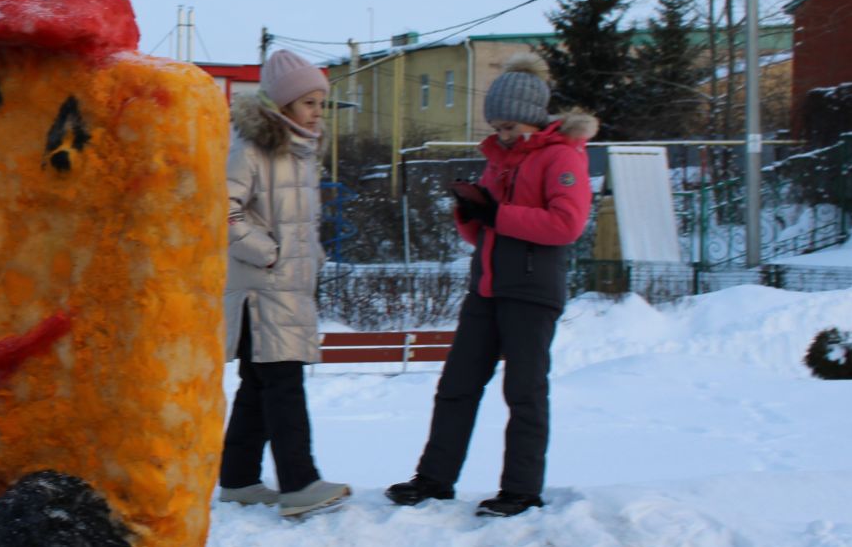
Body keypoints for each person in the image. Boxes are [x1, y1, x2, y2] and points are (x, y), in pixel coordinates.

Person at [386, 53, 595, 518]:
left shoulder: (562, 156)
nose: (501, 135)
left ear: (531, 119)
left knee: (524, 392)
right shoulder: (498, 159)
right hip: (485, 287)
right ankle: (434, 479)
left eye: (508, 127)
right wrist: (471, 213)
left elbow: (566, 223)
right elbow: (486, 230)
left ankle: (521, 490)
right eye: (497, 126)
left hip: (531, 291)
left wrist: (496, 214)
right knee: (456, 385)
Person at [218, 49, 350, 518]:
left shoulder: (300, 153)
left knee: (259, 384)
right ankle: (299, 483)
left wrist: (308, 258)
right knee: (283, 384)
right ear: (283, 105)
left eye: (321, 103)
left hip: (286, 288)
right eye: (309, 103)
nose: (318, 112)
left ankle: (238, 479)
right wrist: (268, 252)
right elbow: (219, 210)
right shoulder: (252, 150)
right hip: (263, 290)